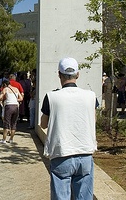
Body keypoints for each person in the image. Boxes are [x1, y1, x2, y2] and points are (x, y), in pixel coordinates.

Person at [40, 57, 97, 200]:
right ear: (78, 74)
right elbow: (93, 119)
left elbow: (43, 124)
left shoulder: (51, 97)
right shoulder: (90, 96)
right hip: (85, 153)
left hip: (61, 154)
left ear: (59, 74)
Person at [0, 79, 22, 144]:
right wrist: (15, 99)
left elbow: (0, 97)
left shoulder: (5, 89)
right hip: (16, 106)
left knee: (6, 122)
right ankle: (11, 139)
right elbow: (21, 98)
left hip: (9, 106)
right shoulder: (16, 89)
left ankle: (4, 139)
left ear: (5, 84)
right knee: (14, 123)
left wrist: (1, 98)